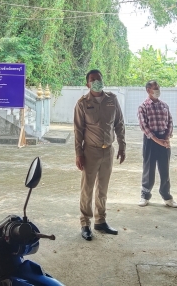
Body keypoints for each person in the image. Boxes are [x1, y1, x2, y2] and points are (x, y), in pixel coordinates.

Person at [74, 69, 126, 241]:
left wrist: (122, 146)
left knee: (103, 188)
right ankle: (85, 224)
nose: (96, 81)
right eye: (93, 79)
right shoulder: (82, 103)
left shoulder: (112, 100)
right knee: (87, 188)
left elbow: (119, 123)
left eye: (99, 78)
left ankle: (100, 220)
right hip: (90, 151)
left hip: (108, 150)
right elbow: (78, 131)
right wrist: (79, 154)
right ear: (87, 84)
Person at [137, 80, 177, 208]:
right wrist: (157, 140)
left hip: (164, 139)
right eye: (154, 88)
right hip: (150, 140)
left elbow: (170, 122)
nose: (157, 90)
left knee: (164, 169)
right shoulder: (143, 107)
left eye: (158, 87)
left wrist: (166, 137)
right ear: (148, 90)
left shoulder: (164, 106)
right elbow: (144, 126)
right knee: (149, 169)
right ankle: (145, 196)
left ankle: (166, 196)